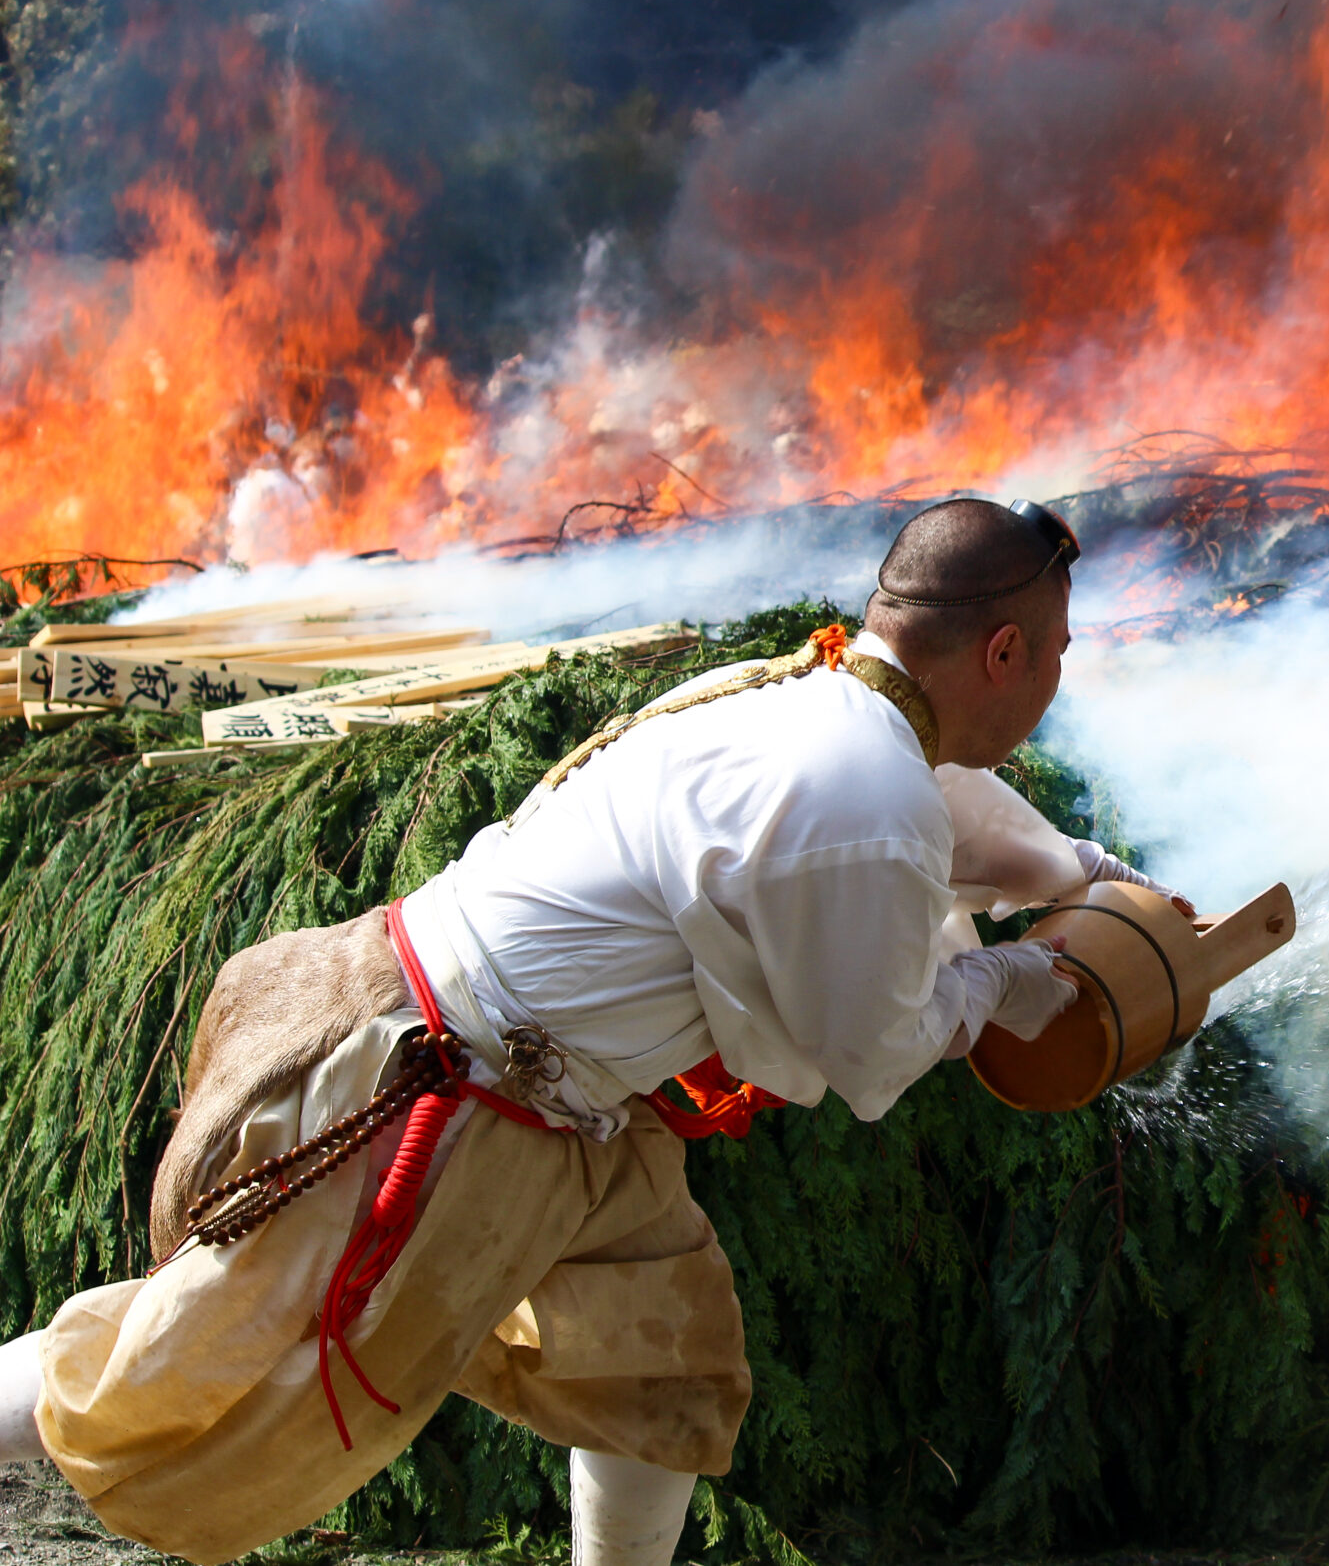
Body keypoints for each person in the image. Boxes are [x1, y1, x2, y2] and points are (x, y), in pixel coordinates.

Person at [0, 498, 1181, 1566]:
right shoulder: (857, 780)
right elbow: (871, 1050)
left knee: (663, 1372)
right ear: (1003, 651)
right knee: (162, 1369)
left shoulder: (812, 698)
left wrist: (1081, 873)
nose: (1057, 677)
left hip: (551, 1100)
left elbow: (926, 819)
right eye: (1058, 653)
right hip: (435, 1088)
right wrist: (1011, 980)